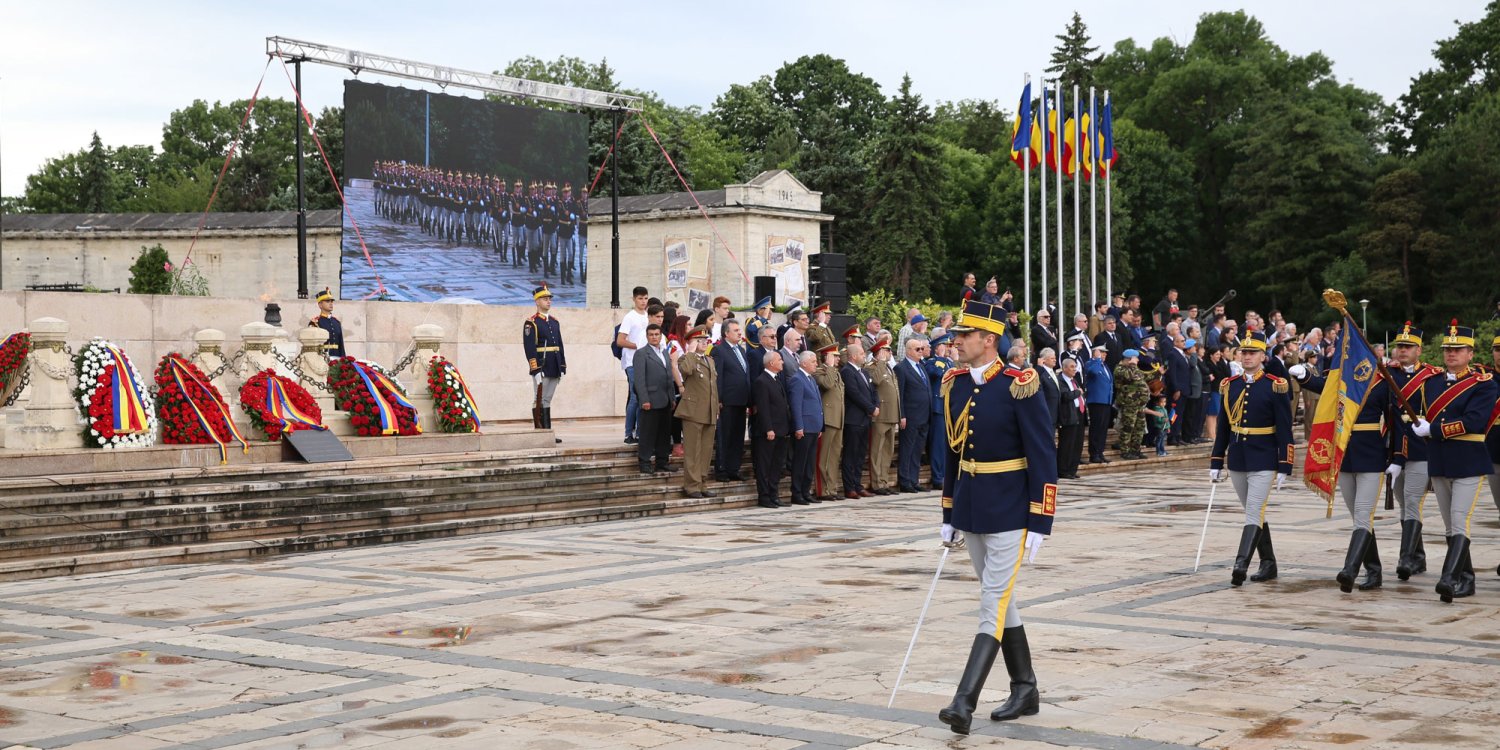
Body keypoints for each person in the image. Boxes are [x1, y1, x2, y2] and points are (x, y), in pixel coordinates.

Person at [935, 299, 1057, 735]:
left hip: (1010, 507)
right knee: (1003, 599)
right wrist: (949, 510)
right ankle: (1025, 688)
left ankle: (963, 701)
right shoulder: (955, 384)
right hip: (971, 506)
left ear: (988, 340)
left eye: (964, 335)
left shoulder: (1019, 384)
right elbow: (953, 452)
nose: (956, 342)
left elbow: (1042, 453)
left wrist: (1041, 518)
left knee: (992, 601)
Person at [1291, 345, 1394, 593]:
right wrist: (1304, 377)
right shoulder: (1341, 381)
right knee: (1359, 517)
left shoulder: (1382, 383)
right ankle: (1374, 570)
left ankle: (1350, 570)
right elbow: (1322, 386)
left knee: (1363, 514)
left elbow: (1393, 422)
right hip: (1345, 455)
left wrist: (1397, 457)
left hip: (1371, 455)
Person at [1415, 321, 1497, 602]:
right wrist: (1418, 425)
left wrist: (1434, 429)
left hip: (1468, 460)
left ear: (1470, 354)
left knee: (1460, 519)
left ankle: (1448, 579)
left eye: (1458, 349)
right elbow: (1421, 414)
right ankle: (1467, 578)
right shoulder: (1431, 383)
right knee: (1450, 524)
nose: (1451, 354)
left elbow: (1474, 421)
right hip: (1439, 459)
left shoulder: (1484, 385)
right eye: (1448, 349)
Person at [1209, 331, 1293, 587]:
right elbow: (1224, 426)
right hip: (1238, 457)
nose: (1247, 356)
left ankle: (1240, 565)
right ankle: (1268, 563)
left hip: (1264, 457)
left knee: (1254, 511)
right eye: (1243, 352)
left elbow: (1284, 427)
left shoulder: (1275, 385)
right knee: (1254, 513)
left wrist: (1285, 463)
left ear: (1262, 356)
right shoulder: (1230, 385)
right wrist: (1216, 461)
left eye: (1252, 352)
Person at [677, 326, 719, 499]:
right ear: (690, 342)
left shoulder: (710, 360)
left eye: (705, 340)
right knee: (693, 451)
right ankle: (691, 486)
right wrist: (691, 351)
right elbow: (686, 371)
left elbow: (713, 388)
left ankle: (702, 483)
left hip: (709, 411)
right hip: (693, 412)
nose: (704, 343)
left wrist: (716, 409)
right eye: (699, 340)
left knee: (706, 451)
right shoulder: (686, 358)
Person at [523, 284, 567, 443]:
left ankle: (547, 433)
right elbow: (529, 348)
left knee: (547, 399)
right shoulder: (532, 323)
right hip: (542, 365)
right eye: (544, 299)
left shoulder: (554, 322)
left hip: (554, 365)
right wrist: (535, 370)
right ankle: (539, 432)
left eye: (549, 299)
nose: (548, 301)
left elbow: (559, 344)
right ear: (537, 301)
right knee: (539, 398)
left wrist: (562, 365)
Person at [632, 323, 678, 475]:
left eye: (656, 334)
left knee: (664, 433)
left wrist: (672, 397)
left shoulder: (664, 352)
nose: (654, 337)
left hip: (665, 400)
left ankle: (662, 461)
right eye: (651, 335)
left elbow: (669, 376)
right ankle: (644, 462)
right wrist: (644, 399)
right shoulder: (641, 353)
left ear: (660, 336)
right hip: (650, 400)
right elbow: (639, 380)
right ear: (647, 336)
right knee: (648, 433)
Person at [711, 320, 752, 482]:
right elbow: (718, 376)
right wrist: (719, 399)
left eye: (739, 330)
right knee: (725, 436)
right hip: (727, 401)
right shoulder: (719, 350)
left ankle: (733, 469)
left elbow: (745, 374)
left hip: (741, 400)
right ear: (726, 333)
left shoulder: (741, 350)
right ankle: (721, 470)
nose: (739, 332)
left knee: (737, 437)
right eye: (735, 330)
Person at [751, 350, 792, 508]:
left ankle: (774, 495)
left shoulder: (776, 379)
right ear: (771, 363)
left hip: (781, 429)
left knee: (776, 465)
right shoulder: (761, 381)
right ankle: (764, 496)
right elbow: (763, 407)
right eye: (780, 359)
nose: (782, 362)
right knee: (765, 465)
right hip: (769, 431)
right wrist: (768, 428)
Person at [841, 341, 879, 498]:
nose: (864, 356)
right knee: (851, 454)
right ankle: (849, 487)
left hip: (865, 419)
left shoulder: (864, 372)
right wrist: (870, 408)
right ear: (854, 356)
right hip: (854, 419)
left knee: (860, 454)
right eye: (862, 354)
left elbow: (873, 391)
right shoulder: (847, 371)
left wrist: (876, 405)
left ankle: (858, 484)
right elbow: (854, 393)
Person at [865, 339, 902, 495]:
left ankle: (884, 481)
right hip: (880, 415)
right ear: (879, 352)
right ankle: (876, 483)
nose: (890, 353)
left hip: (891, 414)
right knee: (877, 451)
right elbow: (876, 381)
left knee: (888, 451)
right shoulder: (872, 367)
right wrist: (880, 362)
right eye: (886, 350)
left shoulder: (888, 367)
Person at [788, 351, 824, 506]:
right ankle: (796, 493)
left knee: (809, 462)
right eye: (813, 361)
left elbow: (817, 403)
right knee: (800, 462)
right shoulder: (797, 379)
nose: (816, 364)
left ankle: (806, 491)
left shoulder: (811, 378)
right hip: (804, 427)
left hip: (814, 426)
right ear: (803, 363)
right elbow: (795, 405)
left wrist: (820, 425)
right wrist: (799, 426)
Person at [896, 338, 933, 493]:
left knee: (917, 449)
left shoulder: (921, 366)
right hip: (910, 416)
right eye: (917, 349)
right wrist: (902, 415)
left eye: (922, 349)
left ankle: (913, 479)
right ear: (909, 350)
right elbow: (900, 394)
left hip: (924, 415)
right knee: (907, 449)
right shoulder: (901, 368)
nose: (921, 351)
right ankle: (905, 481)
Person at [616, 287, 650, 444]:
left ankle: (640, 432)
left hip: (646, 362)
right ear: (634, 299)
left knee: (643, 397)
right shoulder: (630, 317)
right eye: (640, 298)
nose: (643, 301)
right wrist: (638, 346)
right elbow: (620, 340)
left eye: (645, 298)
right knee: (635, 397)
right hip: (632, 361)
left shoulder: (648, 316)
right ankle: (628, 433)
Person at [814, 344, 846, 501]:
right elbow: (827, 385)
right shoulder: (820, 371)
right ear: (827, 357)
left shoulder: (835, 372)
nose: (838, 359)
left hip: (838, 419)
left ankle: (832, 488)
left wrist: (832, 368)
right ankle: (823, 490)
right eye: (835, 356)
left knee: (834, 456)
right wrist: (830, 366)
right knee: (823, 457)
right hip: (827, 419)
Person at [924, 333, 956, 490]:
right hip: (938, 408)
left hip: (949, 407)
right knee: (938, 444)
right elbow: (937, 374)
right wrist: (942, 358)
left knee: (947, 444)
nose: (948, 348)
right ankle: (938, 477)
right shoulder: (932, 362)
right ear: (937, 348)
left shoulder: (949, 363)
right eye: (945, 345)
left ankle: (946, 474)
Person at [1114, 349, 1150, 460]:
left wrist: (1159, 373)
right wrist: (1133, 365)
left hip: (1139, 404)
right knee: (1128, 428)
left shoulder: (1134, 369)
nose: (1138, 360)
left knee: (1139, 428)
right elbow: (1129, 376)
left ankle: (1135, 450)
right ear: (1129, 359)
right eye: (1136, 358)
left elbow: (1143, 377)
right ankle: (1125, 451)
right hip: (1129, 404)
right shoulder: (1120, 369)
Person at [1083, 343, 1113, 464]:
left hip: (1106, 401)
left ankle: (1100, 452)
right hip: (1096, 401)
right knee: (1096, 428)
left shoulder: (1104, 365)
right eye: (1102, 352)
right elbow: (1093, 372)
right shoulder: (1091, 364)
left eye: (1105, 353)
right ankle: (1094, 453)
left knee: (1103, 429)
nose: (1104, 354)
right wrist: (1096, 359)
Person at [1056, 357, 1085, 478]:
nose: (1075, 369)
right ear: (1064, 368)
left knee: (1078, 443)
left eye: (1075, 367)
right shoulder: (1060, 380)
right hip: (1068, 415)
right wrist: (1078, 392)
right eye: (1072, 367)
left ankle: (1072, 469)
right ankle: (1063, 470)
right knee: (1067, 443)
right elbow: (1065, 396)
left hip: (1079, 413)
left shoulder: (1074, 380)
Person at [310, 288, 346, 358]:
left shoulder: (336, 322)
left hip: (337, 359)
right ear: (320, 305)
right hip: (322, 358)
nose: (331, 303)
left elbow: (341, 344)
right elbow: (312, 344)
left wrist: (344, 360)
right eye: (327, 301)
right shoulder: (315, 322)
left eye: (332, 301)